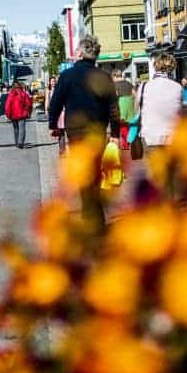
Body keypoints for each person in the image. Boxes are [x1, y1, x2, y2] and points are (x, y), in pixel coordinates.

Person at [48, 36, 120, 233]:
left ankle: (92, 219)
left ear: (80, 52)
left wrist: (53, 124)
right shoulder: (104, 77)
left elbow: (55, 103)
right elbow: (113, 108)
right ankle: (95, 217)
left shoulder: (67, 76)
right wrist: (115, 132)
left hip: (76, 132)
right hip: (97, 131)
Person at [138, 54, 183, 149]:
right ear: (172, 68)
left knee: (155, 163)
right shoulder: (178, 87)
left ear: (155, 66)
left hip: (149, 137)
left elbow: (137, 110)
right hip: (172, 137)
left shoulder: (144, 86)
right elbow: (180, 111)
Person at [5, 80, 33, 149]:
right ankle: (20, 142)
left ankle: (17, 142)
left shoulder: (11, 95)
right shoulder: (24, 94)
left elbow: (7, 106)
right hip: (22, 114)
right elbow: (29, 104)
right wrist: (29, 112)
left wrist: (8, 115)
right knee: (22, 128)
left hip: (13, 115)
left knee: (16, 129)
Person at [113, 70, 135, 150]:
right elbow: (134, 94)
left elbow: (115, 95)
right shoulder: (129, 83)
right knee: (127, 124)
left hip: (121, 104)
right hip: (129, 104)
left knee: (122, 124)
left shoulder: (114, 84)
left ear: (115, 76)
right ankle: (126, 144)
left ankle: (128, 142)